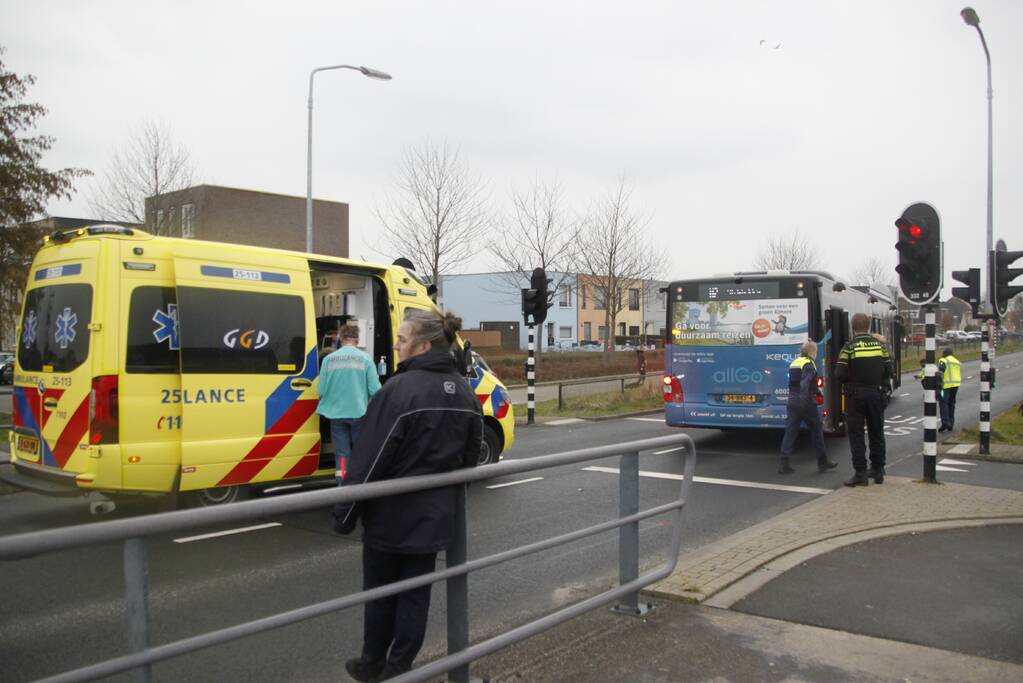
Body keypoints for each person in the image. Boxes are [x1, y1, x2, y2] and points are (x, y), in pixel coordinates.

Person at [334, 310, 483, 682]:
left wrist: (345, 514)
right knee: (416, 596)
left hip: (389, 518)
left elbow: (368, 460)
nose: (397, 344)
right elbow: (470, 456)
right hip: (434, 519)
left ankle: (372, 666)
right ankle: (399, 669)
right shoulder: (465, 391)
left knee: (381, 595)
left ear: (423, 345)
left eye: (402, 339)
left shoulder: (397, 392)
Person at [317, 324, 381, 485]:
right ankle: (360, 485)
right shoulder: (365, 359)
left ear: (341, 338)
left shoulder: (328, 360)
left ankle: (343, 488)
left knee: (342, 454)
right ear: (357, 340)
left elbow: (321, 389)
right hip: (359, 413)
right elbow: (376, 390)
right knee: (360, 452)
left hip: (336, 414)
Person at [835, 313, 894, 486]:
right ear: (868, 326)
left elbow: (839, 373)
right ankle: (878, 470)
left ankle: (860, 473)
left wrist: (850, 381)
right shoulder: (880, 346)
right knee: (877, 432)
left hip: (856, 396)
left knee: (857, 434)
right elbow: (889, 370)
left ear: (853, 327)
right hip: (876, 394)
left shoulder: (849, 347)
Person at [778, 340, 836, 474]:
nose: (816, 354)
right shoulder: (809, 364)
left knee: (790, 432)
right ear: (811, 352)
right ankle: (823, 461)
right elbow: (805, 384)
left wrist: (815, 391)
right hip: (805, 402)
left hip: (792, 401)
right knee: (816, 431)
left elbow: (794, 383)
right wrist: (810, 397)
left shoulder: (795, 362)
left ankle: (784, 463)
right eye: (815, 352)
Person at [937, 347, 962, 432]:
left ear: (945, 354)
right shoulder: (956, 361)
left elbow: (940, 373)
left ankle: (945, 423)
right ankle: (951, 423)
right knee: (952, 403)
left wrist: (938, 385)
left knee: (943, 403)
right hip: (956, 385)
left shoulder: (943, 360)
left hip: (945, 386)